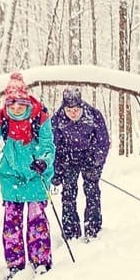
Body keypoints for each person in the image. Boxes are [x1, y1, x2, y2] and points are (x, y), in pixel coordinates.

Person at [0, 72, 56, 278]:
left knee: (36, 220)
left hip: (36, 174)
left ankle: (41, 261)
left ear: (26, 101)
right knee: (12, 223)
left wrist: (43, 160)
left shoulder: (40, 117)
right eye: (11, 105)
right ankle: (15, 264)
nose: (16, 108)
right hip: (11, 175)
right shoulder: (1, 118)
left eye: (20, 104)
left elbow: (48, 144)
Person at [52, 88, 109, 241]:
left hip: (89, 159)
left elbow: (103, 142)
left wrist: (96, 163)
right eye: (69, 110)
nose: (73, 113)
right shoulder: (58, 119)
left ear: (81, 106)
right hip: (68, 160)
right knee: (68, 194)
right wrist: (56, 170)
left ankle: (93, 228)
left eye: (76, 109)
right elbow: (53, 145)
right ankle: (70, 232)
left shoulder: (93, 115)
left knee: (92, 192)